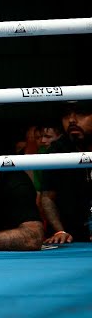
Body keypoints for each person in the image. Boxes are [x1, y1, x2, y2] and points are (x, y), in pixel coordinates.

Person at [38, 101, 92, 244]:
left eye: (81, 113)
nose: (72, 120)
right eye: (66, 115)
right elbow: (48, 197)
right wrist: (60, 231)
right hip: (72, 235)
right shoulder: (57, 150)